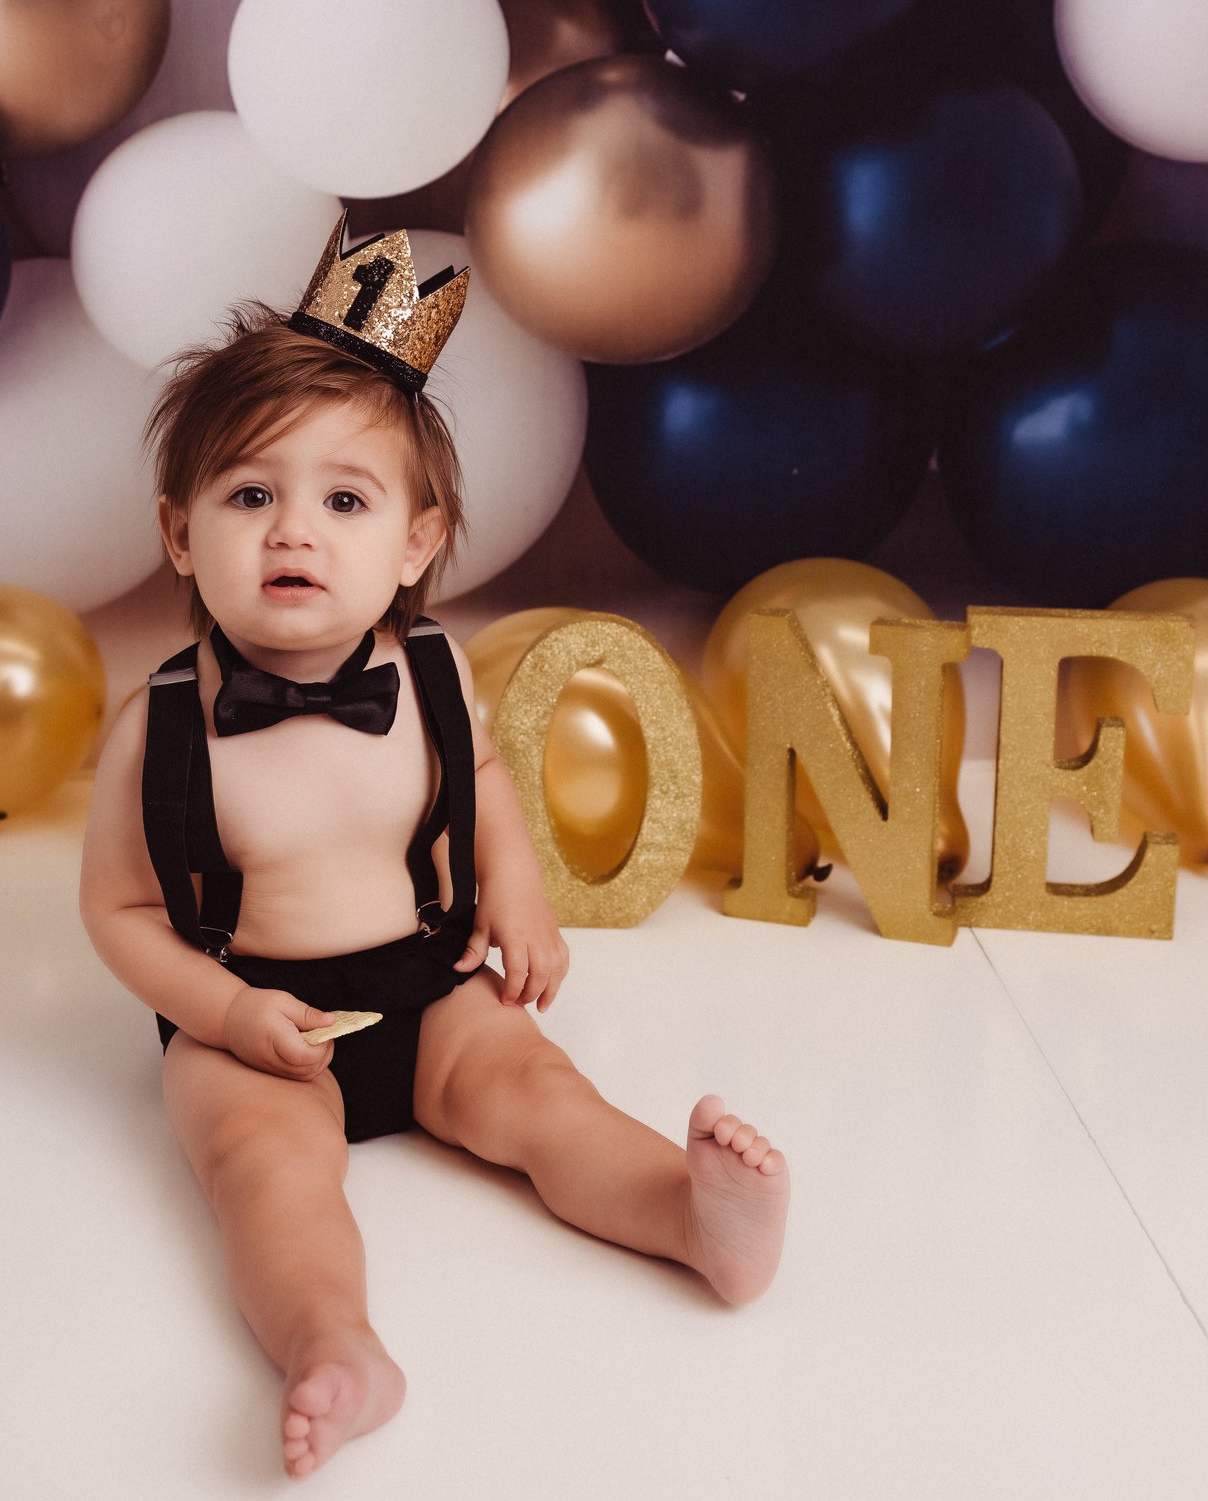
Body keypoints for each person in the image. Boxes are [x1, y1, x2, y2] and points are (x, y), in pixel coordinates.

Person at [76, 220, 790, 1480]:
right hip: (257, 1013)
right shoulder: (159, 723)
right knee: (265, 1178)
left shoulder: (435, 671)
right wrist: (229, 1013)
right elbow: (120, 914)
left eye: (342, 498)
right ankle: (334, 1345)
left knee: (540, 1096)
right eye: (251, 494)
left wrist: (515, 892)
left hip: (428, 979)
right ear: (181, 534)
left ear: (414, 542)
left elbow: (489, 784)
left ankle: (687, 1217)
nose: (293, 530)